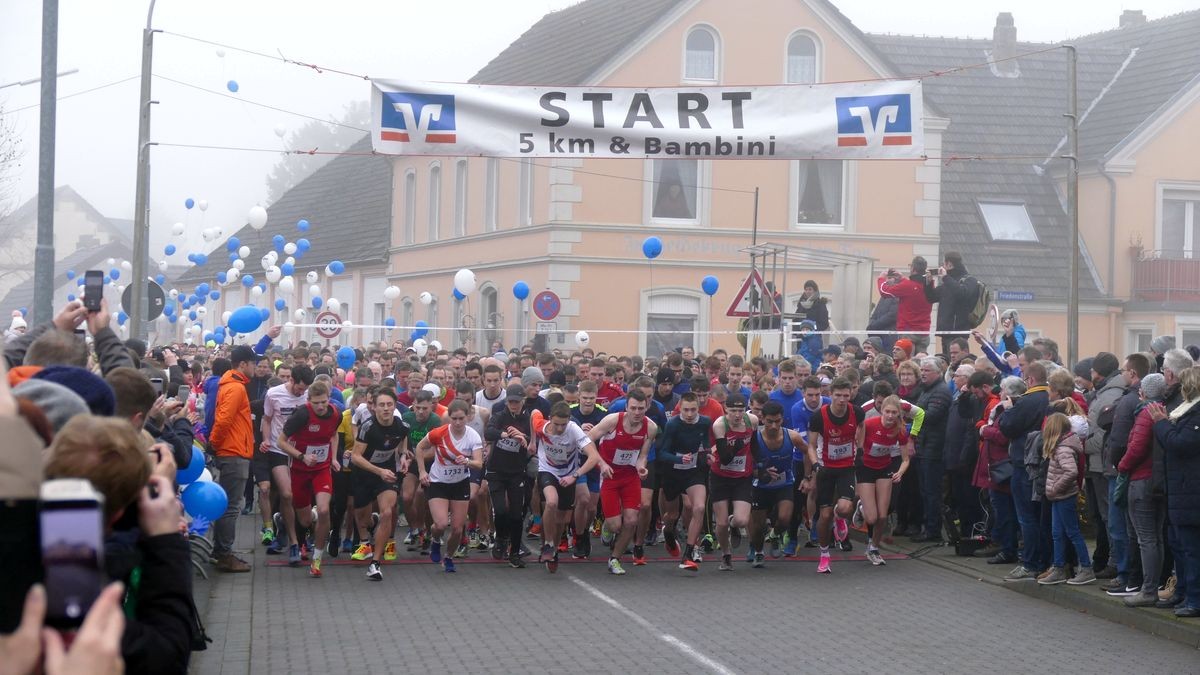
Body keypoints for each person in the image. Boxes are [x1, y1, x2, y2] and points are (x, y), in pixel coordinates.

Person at [1147, 364, 1200, 617]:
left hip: (1190, 491)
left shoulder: (1196, 415)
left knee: (1191, 549)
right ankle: (1182, 592)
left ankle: (1195, 599)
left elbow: (1179, 443)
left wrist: (1160, 423)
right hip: (1181, 490)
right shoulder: (1186, 412)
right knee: (1178, 545)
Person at [588, 390, 657, 575]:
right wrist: (601, 464)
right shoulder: (612, 421)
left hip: (630, 476)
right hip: (609, 476)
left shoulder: (650, 427)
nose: (637, 412)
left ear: (647, 408)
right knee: (615, 525)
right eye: (633, 408)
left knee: (632, 520)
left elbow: (642, 456)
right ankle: (607, 526)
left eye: (641, 408)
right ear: (626, 407)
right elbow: (587, 441)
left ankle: (615, 559)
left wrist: (642, 468)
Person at [276, 380, 341, 577]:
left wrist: (334, 458)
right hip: (300, 469)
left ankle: (317, 560)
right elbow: (281, 442)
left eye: (324, 402)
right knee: (304, 521)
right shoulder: (301, 414)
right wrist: (301, 456)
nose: (320, 406)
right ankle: (310, 515)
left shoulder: (336, 413)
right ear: (309, 401)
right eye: (316, 403)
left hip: (321, 469)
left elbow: (334, 434)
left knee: (324, 510)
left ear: (329, 399)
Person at [530, 401, 604, 573]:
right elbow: (534, 412)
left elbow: (593, 457)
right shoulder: (541, 425)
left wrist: (575, 476)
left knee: (561, 520)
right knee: (551, 502)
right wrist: (533, 441)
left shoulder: (574, 430)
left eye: (563, 424)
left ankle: (554, 550)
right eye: (556, 424)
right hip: (547, 470)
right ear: (550, 419)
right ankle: (548, 544)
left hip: (568, 474)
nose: (560, 428)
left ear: (569, 421)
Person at [415, 400, 484, 573]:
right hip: (438, 483)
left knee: (457, 529)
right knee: (440, 524)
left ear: (468, 417)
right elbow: (419, 448)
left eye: (461, 418)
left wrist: (467, 461)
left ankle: (448, 557)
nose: (458, 422)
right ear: (449, 418)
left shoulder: (473, 436)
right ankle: (435, 540)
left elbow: (479, 463)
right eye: (454, 419)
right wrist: (422, 471)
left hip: (460, 484)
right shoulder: (439, 433)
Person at [1116, 373, 1167, 606]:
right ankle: (1154, 586)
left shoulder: (1146, 412)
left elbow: (1136, 447)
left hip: (1142, 480)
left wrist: (1122, 466)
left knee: (1146, 538)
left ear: (1143, 392)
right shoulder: (1164, 409)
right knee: (1155, 537)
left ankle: (1148, 590)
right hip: (1156, 480)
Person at [806, 378, 866, 574]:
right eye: (838, 395)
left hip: (847, 467)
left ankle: (840, 519)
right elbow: (811, 445)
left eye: (846, 396)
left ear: (850, 395)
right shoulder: (819, 417)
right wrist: (815, 464)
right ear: (830, 395)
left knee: (845, 507)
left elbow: (862, 426)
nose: (842, 400)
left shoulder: (857, 412)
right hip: (826, 468)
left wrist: (860, 448)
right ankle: (824, 555)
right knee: (824, 516)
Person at [349, 388, 410, 581]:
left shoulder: (401, 425)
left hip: (387, 474)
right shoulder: (368, 427)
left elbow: (403, 440)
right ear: (374, 407)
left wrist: (403, 456)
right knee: (363, 519)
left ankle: (375, 563)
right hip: (364, 473)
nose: (385, 408)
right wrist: (378, 471)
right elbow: (355, 457)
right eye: (381, 405)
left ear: (394, 406)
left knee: (387, 512)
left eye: (389, 404)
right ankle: (371, 526)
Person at [999, 362, 1051, 581]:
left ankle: (1030, 563)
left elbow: (1007, 427)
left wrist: (1008, 409)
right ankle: (1045, 561)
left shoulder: (1027, 401)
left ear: (1029, 380)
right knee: (1041, 516)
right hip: (1045, 464)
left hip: (1024, 463)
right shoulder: (1049, 397)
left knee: (1027, 517)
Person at [209, 345, 258, 573]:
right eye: (253, 363)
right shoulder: (236, 387)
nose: (255, 367)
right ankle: (224, 555)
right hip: (233, 453)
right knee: (230, 507)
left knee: (227, 506)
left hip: (232, 451)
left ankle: (221, 551)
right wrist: (215, 443)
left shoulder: (231, 384)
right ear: (243, 364)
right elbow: (223, 420)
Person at [261, 365, 314, 563]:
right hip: (278, 449)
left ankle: (291, 528)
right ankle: (293, 542)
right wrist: (266, 440)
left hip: (302, 452)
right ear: (291, 380)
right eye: (299, 388)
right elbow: (267, 420)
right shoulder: (273, 394)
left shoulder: (309, 395)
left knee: (303, 498)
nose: (301, 392)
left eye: (304, 389)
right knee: (286, 494)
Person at [1037, 413, 1096, 586]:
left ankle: (1086, 568)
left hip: (1064, 496)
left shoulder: (1063, 449)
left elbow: (1071, 471)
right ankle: (1059, 567)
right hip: (1059, 496)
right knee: (1057, 533)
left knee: (1072, 532)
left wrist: (1055, 488)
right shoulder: (1062, 446)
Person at [657, 392, 714, 570]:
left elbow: (705, 442)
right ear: (679, 408)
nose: (689, 414)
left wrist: (708, 454)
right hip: (673, 472)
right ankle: (668, 531)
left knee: (698, 507)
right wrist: (679, 459)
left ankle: (688, 553)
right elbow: (662, 453)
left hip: (693, 471)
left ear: (699, 409)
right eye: (686, 410)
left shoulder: (705, 422)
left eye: (693, 410)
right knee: (673, 515)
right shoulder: (673, 424)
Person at [856, 395, 913, 565]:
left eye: (894, 413)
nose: (890, 416)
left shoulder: (900, 430)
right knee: (872, 518)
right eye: (887, 411)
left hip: (884, 469)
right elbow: (857, 444)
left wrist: (900, 472)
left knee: (883, 515)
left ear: (898, 414)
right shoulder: (869, 424)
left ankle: (873, 548)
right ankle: (861, 507)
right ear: (882, 410)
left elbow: (906, 459)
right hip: (866, 468)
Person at [749, 401, 806, 567]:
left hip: (784, 484)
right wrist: (760, 473)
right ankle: (758, 552)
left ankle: (774, 536)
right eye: (769, 421)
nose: (774, 426)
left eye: (777, 421)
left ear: (782, 419)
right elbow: (745, 465)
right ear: (762, 419)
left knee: (784, 518)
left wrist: (808, 476)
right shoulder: (754, 438)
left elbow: (808, 451)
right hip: (760, 486)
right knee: (758, 527)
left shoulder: (792, 436)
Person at [708, 393, 759, 571]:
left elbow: (755, 446)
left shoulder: (752, 420)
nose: (737, 415)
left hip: (742, 477)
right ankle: (726, 554)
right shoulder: (720, 425)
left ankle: (733, 523)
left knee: (742, 520)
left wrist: (760, 466)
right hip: (720, 476)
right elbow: (724, 458)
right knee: (720, 523)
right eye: (732, 411)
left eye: (740, 410)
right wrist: (737, 446)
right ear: (725, 410)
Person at [485, 383, 533, 567]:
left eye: (517, 402)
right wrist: (505, 435)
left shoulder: (528, 419)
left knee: (516, 514)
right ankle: (501, 538)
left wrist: (523, 437)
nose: (513, 405)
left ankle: (515, 553)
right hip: (496, 471)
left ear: (523, 401)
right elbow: (488, 432)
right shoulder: (500, 416)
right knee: (500, 510)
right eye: (511, 401)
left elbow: (535, 441)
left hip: (516, 473)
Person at [912, 357, 951, 543]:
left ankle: (933, 529)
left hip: (933, 449)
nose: (923, 373)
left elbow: (931, 416)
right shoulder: (926, 390)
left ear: (938, 372)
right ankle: (927, 527)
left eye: (927, 370)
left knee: (931, 491)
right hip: (924, 446)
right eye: (921, 370)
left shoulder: (941, 391)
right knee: (924, 491)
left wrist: (909, 409)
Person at [925, 251, 980, 358]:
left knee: (957, 360)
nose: (943, 266)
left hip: (958, 330)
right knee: (946, 360)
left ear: (949, 264)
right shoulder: (947, 283)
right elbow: (931, 298)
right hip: (946, 331)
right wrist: (928, 283)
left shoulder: (969, 280)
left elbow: (962, 293)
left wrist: (946, 277)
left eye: (944, 264)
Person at [877, 257, 933, 353]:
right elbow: (915, 287)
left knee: (907, 360)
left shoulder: (908, 285)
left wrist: (881, 278)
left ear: (913, 269)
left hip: (908, 331)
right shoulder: (929, 285)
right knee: (921, 360)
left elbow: (885, 292)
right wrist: (902, 279)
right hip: (924, 332)